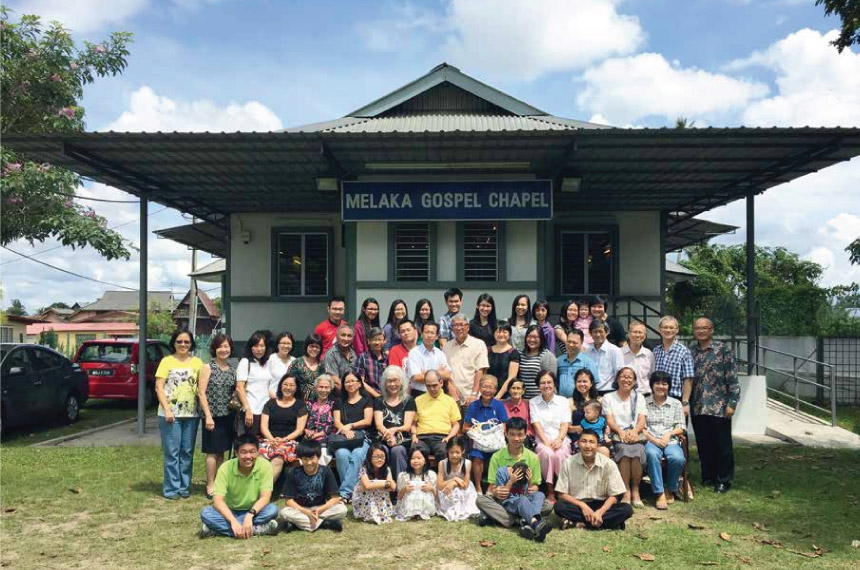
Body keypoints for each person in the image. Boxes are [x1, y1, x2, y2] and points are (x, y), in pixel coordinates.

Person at [686, 317, 740, 493]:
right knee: (703, 444)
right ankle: (707, 476)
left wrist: (732, 403)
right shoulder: (691, 352)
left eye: (705, 328)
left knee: (722, 445)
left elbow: (732, 378)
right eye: (697, 328)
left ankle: (723, 479)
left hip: (719, 406)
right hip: (698, 405)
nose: (701, 331)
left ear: (711, 330)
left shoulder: (723, 350)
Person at [477, 417, 553, 541]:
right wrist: (496, 491)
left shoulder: (533, 457)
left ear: (526, 434)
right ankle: (527, 520)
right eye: (512, 434)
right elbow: (492, 487)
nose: (516, 439)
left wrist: (531, 487)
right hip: (506, 501)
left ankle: (517, 520)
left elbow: (535, 486)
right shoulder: (497, 457)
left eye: (520, 435)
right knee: (481, 500)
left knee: (547, 504)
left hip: (524, 496)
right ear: (506, 434)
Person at [199, 434, 280, 538]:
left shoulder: (265, 466)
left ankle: (216, 530)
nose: (248, 456)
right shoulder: (226, 467)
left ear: (258, 452)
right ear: (236, 453)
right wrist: (233, 521)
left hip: (254, 510)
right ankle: (256, 529)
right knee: (206, 513)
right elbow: (217, 500)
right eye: (244, 452)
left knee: (272, 509)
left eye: (252, 451)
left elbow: (265, 497)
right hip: (229, 511)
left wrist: (249, 515)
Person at [156, 328, 203, 500]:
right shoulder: (166, 362)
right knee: (172, 452)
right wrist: (167, 409)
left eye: (186, 342)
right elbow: (158, 387)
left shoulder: (198, 362)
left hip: (191, 414)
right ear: (174, 343)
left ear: (191, 344)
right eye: (179, 342)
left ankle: (184, 486)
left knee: (187, 452)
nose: (183, 345)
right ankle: (171, 488)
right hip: (170, 415)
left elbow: (202, 388)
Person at [553, 429, 634, 530]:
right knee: (559, 506)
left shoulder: (608, 464)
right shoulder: (568, 463)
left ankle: (579, 523)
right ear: (578, 443)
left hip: (601, 504)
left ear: (598, 445)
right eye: (584, 441)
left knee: (626, 509)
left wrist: (601, 511)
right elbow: (561, 494)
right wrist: (582, 505)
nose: (587, 446)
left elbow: (615, 495)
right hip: (578, 504)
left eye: (592, 442)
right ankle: (608, 523)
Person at [197, 333, 237, 499]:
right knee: (212, 452)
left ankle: (219, 483)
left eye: (226, 346)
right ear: (215, 349)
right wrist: (208, 416)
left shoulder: (232, 369)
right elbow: (201, 393)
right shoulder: (208, 367)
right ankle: (210, 485)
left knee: (222, 451)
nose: (224, 350)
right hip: (212, 416)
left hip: (228, 416)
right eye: (220, 346)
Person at [603, 366, 648, 508]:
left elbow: (642, 419)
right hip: (618, 435)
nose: (626, 379)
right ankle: (626, 491)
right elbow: (609, 420)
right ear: (617, 379)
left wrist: (634, 431)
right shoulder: (608, 397)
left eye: (630, 377)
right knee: (624, 451)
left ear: (634, 381)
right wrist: (621, 432)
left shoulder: (639, 397)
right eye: (623, 376)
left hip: (635, 434)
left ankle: (636, 490)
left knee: (636, 452)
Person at [280, 440, 347, 532]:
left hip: (321, 508)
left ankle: (298, 524)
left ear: (318, 457)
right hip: (301, 509)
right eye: (305, 459)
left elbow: (335, 498)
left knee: (342, 509)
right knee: (284, 512)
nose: (309, 463)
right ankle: (324, 523)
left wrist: (318, 511)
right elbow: (288, 501)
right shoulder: (294, 472)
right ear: (300, 459)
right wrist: (307, 512)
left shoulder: (326, 471)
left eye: (312, 458)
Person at [644, 371, 686, 509]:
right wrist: (654, 440)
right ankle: (659, 492)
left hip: (671, 440)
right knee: (651, 454)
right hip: (651, 440)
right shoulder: (644, 403)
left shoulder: (676, 404)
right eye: (657, 383)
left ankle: (671, 488)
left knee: (678, 458)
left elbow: (681, 427)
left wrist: (669, 434)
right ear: (652, 385)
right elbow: (642, 427)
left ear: (669, 386)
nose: (660, 386)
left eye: (664, 383)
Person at [529, 370, 571, 502]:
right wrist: (546, 442)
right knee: (547, 453)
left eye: (549, 382)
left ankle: (563, 489)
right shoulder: (533, 402)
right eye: (542, 383)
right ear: (538, 385)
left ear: (554, 384)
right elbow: (536, 424)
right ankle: (550, 490)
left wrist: (559, 440)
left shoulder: (563, 401)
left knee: (559, 454)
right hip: (542, 439)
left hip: (561, 438)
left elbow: (565, 424)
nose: (546, 385)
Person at [463, 375, 509, 493]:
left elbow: (504, 425)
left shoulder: (498, 405)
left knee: (500, 456)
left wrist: (492, 433)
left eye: (490, 387)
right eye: (484, 386)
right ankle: (478, 487)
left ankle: (492, 486)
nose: (487, 390)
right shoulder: (473, 406)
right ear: (480, 388)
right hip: (479, 443)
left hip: (495, 443)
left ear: (495, 390)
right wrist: (478, 431)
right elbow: (465, 427)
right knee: (477, 457)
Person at [332, 371, 373, 500]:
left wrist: (351, 426)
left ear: (360, 383)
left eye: (353, 381)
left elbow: (367, 421)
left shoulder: (367, 400)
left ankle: (345, 493)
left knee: (357, 454)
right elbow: (337, 422)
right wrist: (345, 430)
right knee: (341, 455)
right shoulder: (339, 401)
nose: (350, 384)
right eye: (347, 382)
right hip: (344, 437)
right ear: (343, 385)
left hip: (362, 436)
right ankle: (354, 492)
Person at [259, 374, 308, 483]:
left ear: (296, 388)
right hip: (269, 440)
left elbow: (299, 430)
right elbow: (263, 426)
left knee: (278, 458)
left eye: (292, 385)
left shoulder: (300, 405)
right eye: (285, 384)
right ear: (280, 385)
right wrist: (272, 439)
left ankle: (264, 491)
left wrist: (283, 440)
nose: (288, 387)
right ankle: (253, 489)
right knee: (260, 459)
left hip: (289, 442)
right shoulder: (270, 403)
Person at [373, 366, 415, 478]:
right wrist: (388, 436)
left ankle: (401, 487)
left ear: (401, 382)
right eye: (389, 381)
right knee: (382, 451)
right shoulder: (379, 400)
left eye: (395, 380)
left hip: (402, 439)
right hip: (383, 438)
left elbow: (407, 426)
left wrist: (393, 431)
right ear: (385, 383)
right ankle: (383, 486)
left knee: (397, 450)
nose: (393, 384)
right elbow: (378, 424)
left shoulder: (408, 400)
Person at [411, 370, 461, 461]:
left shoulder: (450, 401)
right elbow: (413, 423)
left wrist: (449, 438)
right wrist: (414, 436)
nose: (432, 389)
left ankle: (442, 475)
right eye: (428, 386)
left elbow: (456, 424)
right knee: (416, 450)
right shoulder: (418, 400)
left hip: (442, 438)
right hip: (422, 438)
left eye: (434, 385)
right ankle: (422, 475)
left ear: (441, 383)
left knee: (443, 451)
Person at [442, 313, 489, 405]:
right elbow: (445, 371)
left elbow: (480, 370)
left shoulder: (479, 344)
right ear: (451, 328)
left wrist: (474, 394)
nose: (459, 328)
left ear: (467, 327)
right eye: (455, 325)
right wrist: (451, 388)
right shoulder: (446, 347)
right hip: (452, 396)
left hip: (472, 396)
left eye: (461, 325)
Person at [236, 332, 274, 437]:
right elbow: (239, 388)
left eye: (262, 346)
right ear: (250, 347)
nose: (259, 349)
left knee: (264, 443)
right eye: (256, 346)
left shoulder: (267, 363)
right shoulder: (245, 362)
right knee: (251, 442)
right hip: (252, 410)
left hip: (266, 410)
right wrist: (247, 409)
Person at [436, 436, 480, 521]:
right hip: (447, 488)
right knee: (449, 492)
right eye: (451, 452)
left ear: (463, 451)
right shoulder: (442, 464)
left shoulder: (467, 463)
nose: (454, 455)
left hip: (463, 489)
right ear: (447, 452)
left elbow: (465, 485)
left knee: (458, 491)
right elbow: (440, 486)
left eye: (457, 452)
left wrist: (454, 483)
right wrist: (454, 479)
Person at [351, 443, 395, 524]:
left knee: (379, 488)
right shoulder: (364, 469)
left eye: (382, 457)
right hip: (363, 498)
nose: (380, 459)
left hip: (379, 497)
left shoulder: (387, 469)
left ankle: (380, 512)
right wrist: (385, 483)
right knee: (371, 489)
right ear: (370, 457)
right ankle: (369, 513)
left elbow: (393, 487)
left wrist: (376, 484)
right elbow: (367, 486)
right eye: (376, 457)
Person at [406, 320, 452, 397]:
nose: (429, 335)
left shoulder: (440, 354)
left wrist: (426, 373)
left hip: (438, 394)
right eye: (426, 332)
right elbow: (415, 377)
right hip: (419, 394)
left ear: (437, 336)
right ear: (422, 334)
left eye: (432, 333)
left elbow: (447, 375)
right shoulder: (414, 353)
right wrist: (438, 373)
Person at [653, 315, 694, 399]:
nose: (668, 330)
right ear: (659, 329)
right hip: (656, 397)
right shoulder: (656, 351)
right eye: (665, 327)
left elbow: (688, 379)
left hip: (675, 398)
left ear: (677, 330)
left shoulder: (684, 351)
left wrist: (685, 401)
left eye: (671, 328)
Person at [395, 446, 437, 521]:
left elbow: (437, 496)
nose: (416, 461)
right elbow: (399, 497)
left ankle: (422, 512)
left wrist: (431, 489)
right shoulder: (403, 476)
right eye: (413, 458)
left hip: (426, 506)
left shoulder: (431, 475)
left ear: (425, 461)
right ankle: (412, 512)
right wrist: (404, 489)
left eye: (419, 458)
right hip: (408, 506)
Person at [303, 374, 337, 464]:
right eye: (321, 387)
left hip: (326, 441)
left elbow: (333, 425)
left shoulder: (334, 404)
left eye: (327, 387)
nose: (323, 390)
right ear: (316, 388)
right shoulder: (309, 404)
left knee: (320, 459)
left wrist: (317, 435)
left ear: (331, 389)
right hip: (308, 439)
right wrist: (306, 430)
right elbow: (302, 422)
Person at [518, 324, 557, 401]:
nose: (532, 340)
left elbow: (550, 382)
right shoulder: (520, 355)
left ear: (541, 339)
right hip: (523, 400)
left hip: (542, 400)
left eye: (535, 337)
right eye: (529, 336)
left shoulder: (547, 356)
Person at [585, 319, 624, 395]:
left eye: (600, 331)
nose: (598, 334)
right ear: (590, 333)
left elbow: (619, 372)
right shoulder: (587, 351)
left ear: (607, 332)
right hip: (591, 392)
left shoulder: (615, 350)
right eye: (595, 332)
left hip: (610, 391)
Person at [557, 329, 599, 398]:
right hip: (562, 402)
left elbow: (594, 384)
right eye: (569, 341)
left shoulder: (588, 362)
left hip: (581, 402)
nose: (571, 345)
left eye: (574, 343)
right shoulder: (559, 361)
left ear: (581, 343)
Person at [322, 323, 358, 391]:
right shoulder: (331, 354)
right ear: (337, 336)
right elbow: (336, 382)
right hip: (339, 395)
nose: (346, 338)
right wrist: (349, 395)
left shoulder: (353, 353)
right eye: (343, 335)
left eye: (349, 336)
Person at [489, 322, 520, 399]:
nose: (501, 334)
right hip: (488, 392)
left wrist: (497, 397)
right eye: (498, 331)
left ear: (509, 334)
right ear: (494, 334)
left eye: (504, 332)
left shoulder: (513, 352)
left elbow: (511, 377)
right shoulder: (487, 350)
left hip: (506, 395)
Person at [623, 321, 655, 396]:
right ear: (629, 334)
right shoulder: (619, 353)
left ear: (645, 336)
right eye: (635, 332)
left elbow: (651, 376)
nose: (637, 335)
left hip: (645, 395)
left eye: (640, 332)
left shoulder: (649, 354)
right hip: (625, 396)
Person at [289, 334, 324, 402]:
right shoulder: (296, 363)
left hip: (319, 405)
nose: (314, 349)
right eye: (311, 346)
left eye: (317, 347)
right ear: (306, 347)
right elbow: (289, 383)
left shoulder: (322, 365)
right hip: (299, 403)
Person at [501, 378, 534, 447]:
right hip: (507, 437)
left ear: (523, 391)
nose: (516, 391)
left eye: (518, 388)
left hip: (524, 438)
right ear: (509, 390)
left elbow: (531, 428)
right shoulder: (503, 406)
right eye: (513, 388)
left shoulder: (529, 406)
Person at [355, 326, 386, 398]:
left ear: (384, 341)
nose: (377, 342)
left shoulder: (387, 358)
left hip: (385, 397)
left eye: (380, 340)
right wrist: (377, 396)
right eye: (374, 340)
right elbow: (359, 381)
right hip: (368, 398)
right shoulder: (363, 358)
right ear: (368, 341)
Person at [267, 332, 296, 399]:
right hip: (272, 399)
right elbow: (264, 383)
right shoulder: (270, 359)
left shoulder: (294, 361)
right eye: (283, 343)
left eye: (288, 343)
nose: (286, 346)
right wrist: (275, 397)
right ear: (277, 344)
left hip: (289, 401)